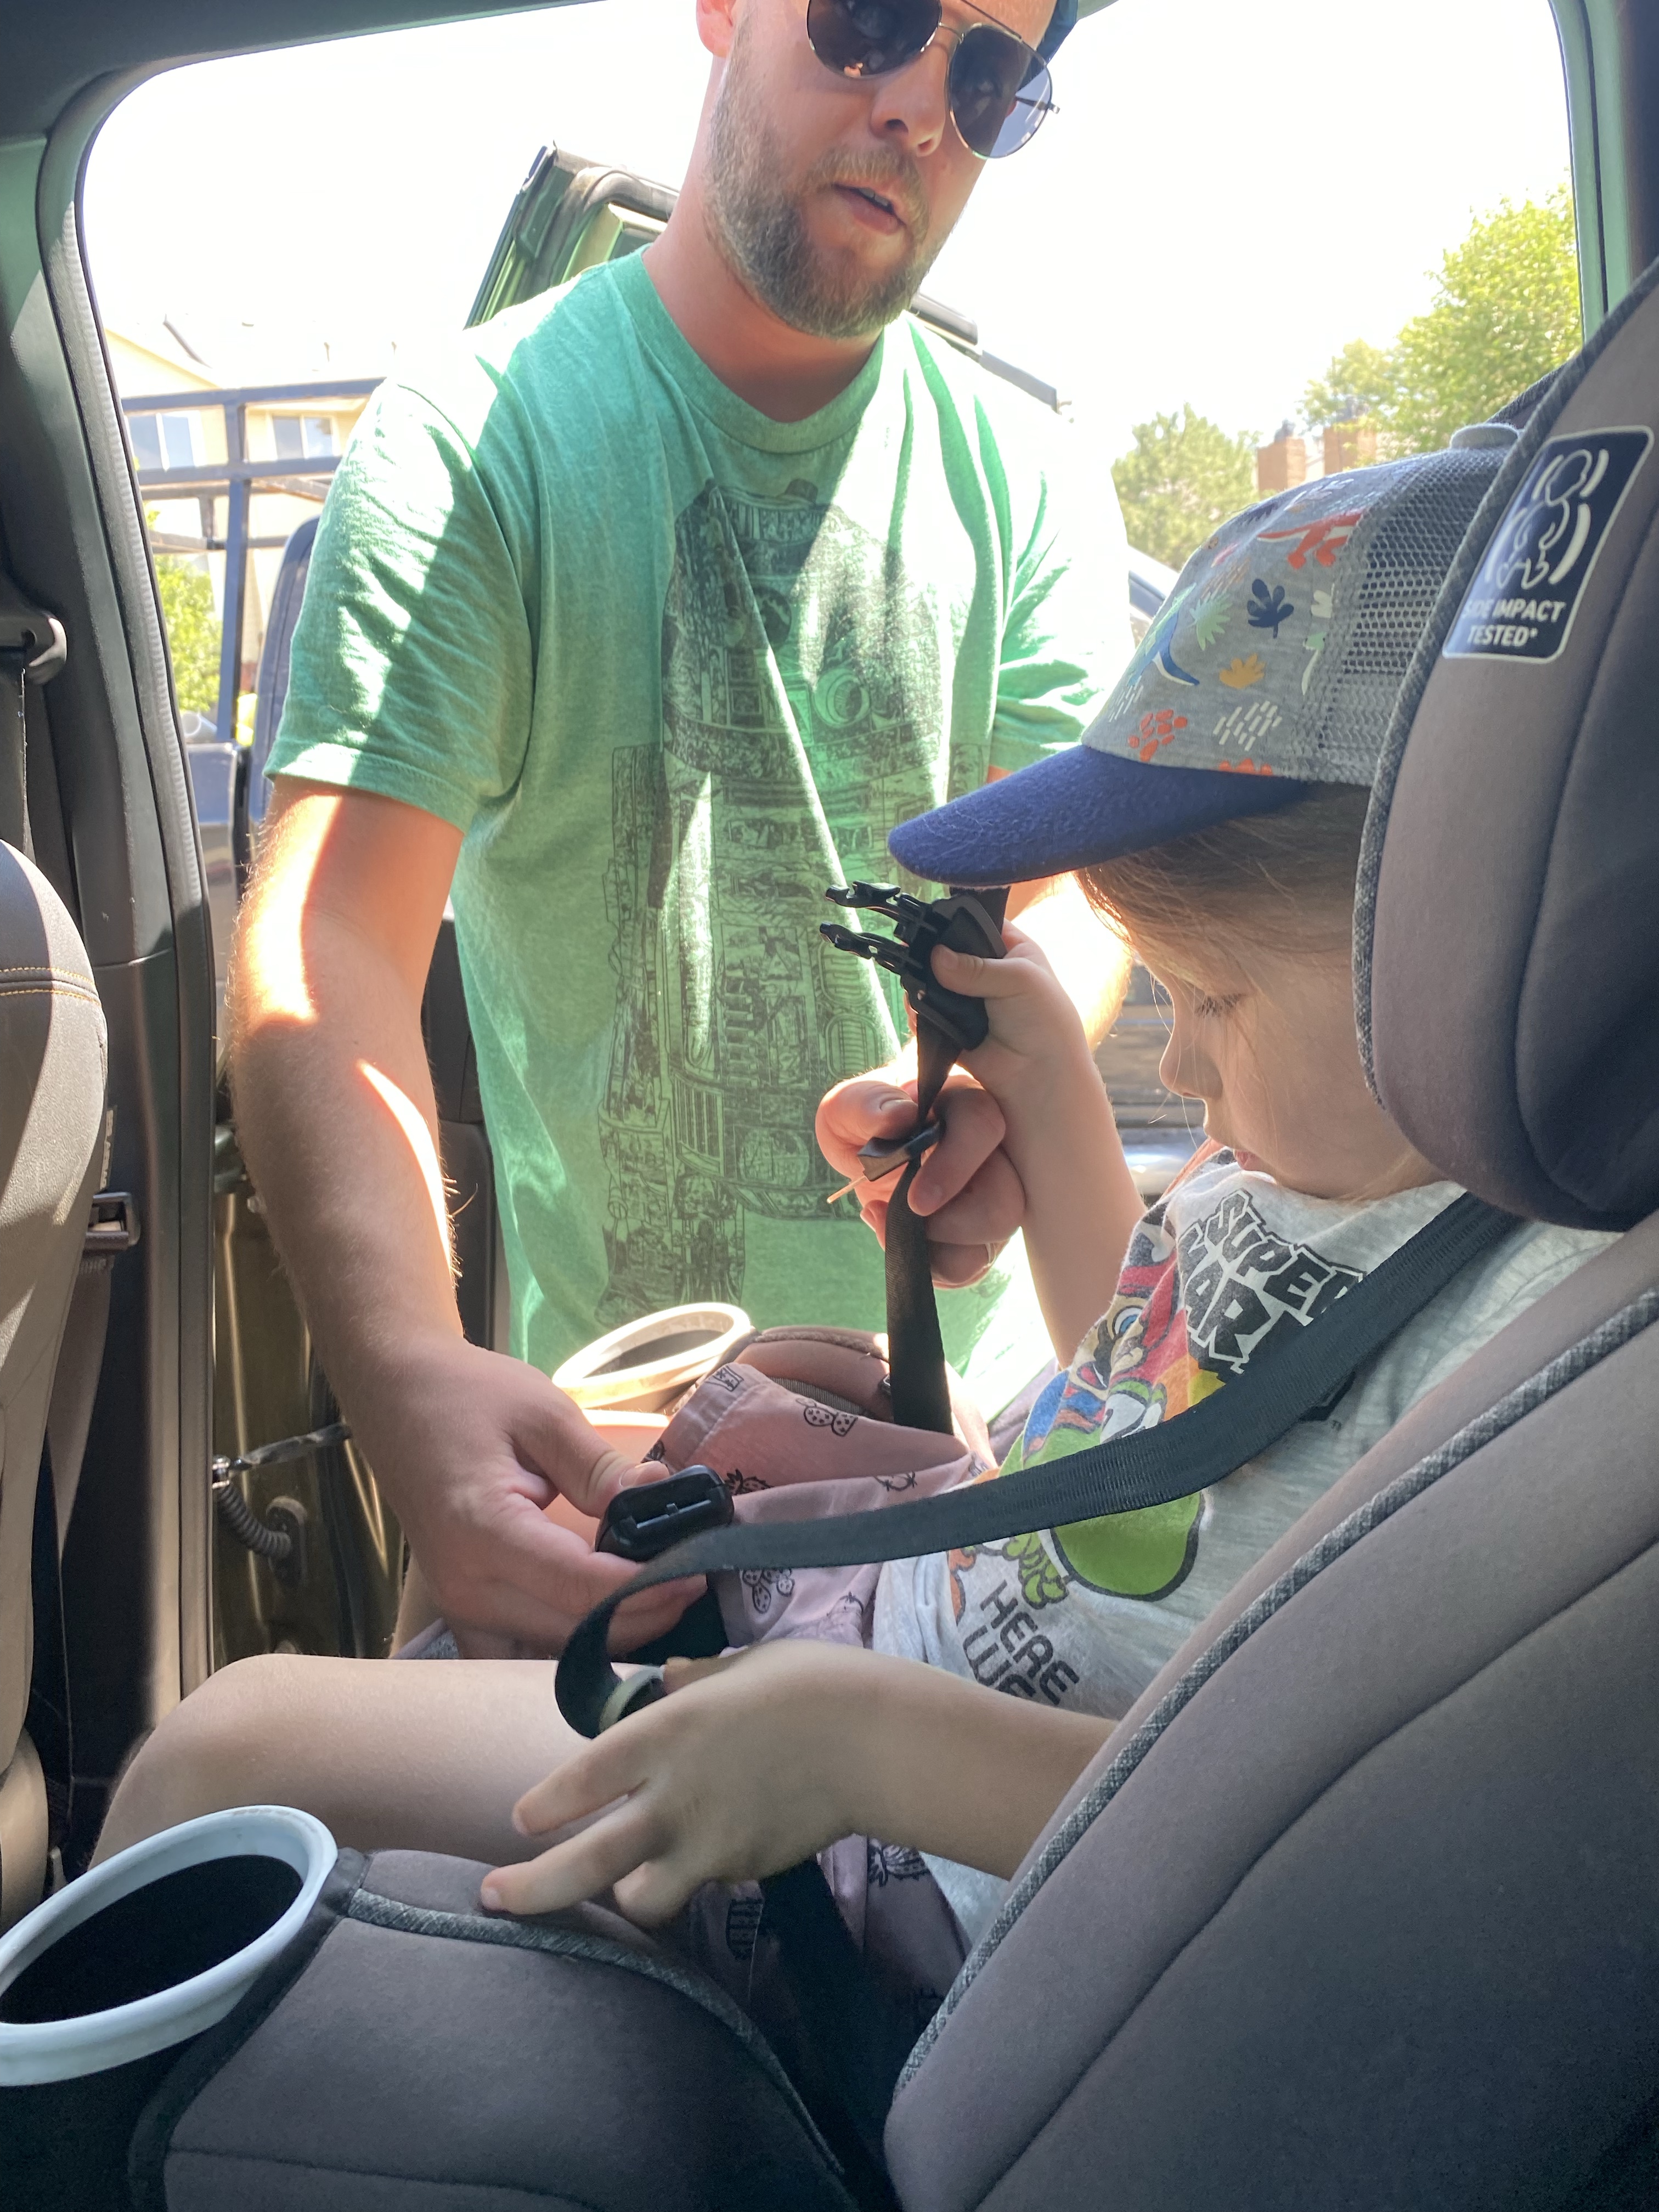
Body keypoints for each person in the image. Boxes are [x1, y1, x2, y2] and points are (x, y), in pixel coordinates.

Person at [104, 446, 1610, 2014]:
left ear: (1466, 947)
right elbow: (1157, 1418)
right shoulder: (1326, 1166)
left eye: (1215, 997)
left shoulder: (1534, 1331)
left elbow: (1318, 1822)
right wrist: (1041, 1084)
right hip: (910, 1645)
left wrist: (860, 1742)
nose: (1177, 1059)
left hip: (926, 1828)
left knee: (225, 1749)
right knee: (528, 1515)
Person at [232, 0, 1132, 1658]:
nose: (924, 110)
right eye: (878, 21)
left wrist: (1019, 1069)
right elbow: (329, 943)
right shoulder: (466, 442)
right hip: (630, 1462)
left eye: (992, 78)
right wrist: (410, 1369)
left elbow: (1076, 890)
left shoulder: (1033, 480)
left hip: (995, 1456)